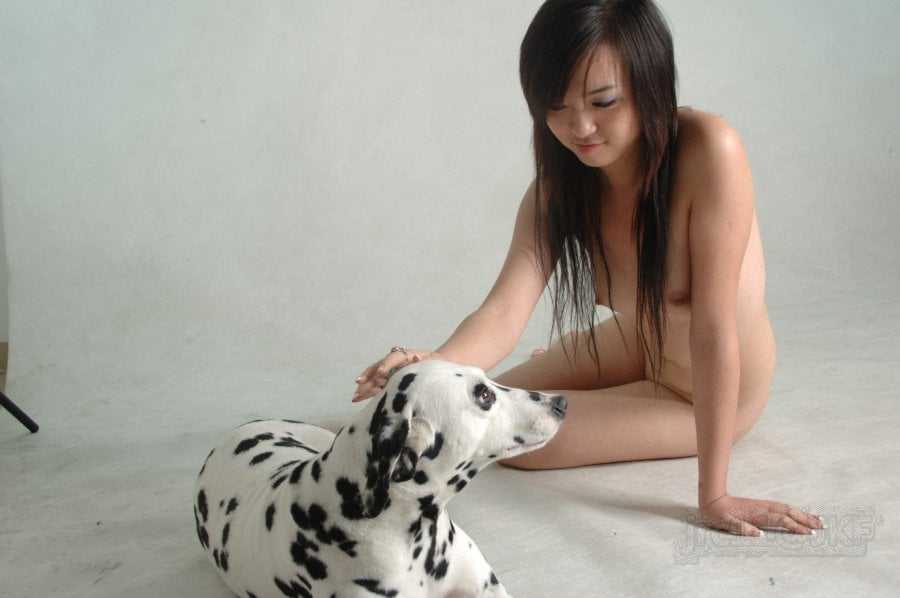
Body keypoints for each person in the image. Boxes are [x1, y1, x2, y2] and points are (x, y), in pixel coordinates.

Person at [351, 0, 823, 538]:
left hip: (708, 390)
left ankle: (589, 372)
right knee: (480, 396)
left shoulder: (710, 152)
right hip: (638, 340)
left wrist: (714, 495)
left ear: (649, 83)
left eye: (603, 102)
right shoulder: (558, 191)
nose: (580, 127)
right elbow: (502, 314)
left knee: (516, 440)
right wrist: (429, 363)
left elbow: (715, 331)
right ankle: (582, 366)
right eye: (557, 105)